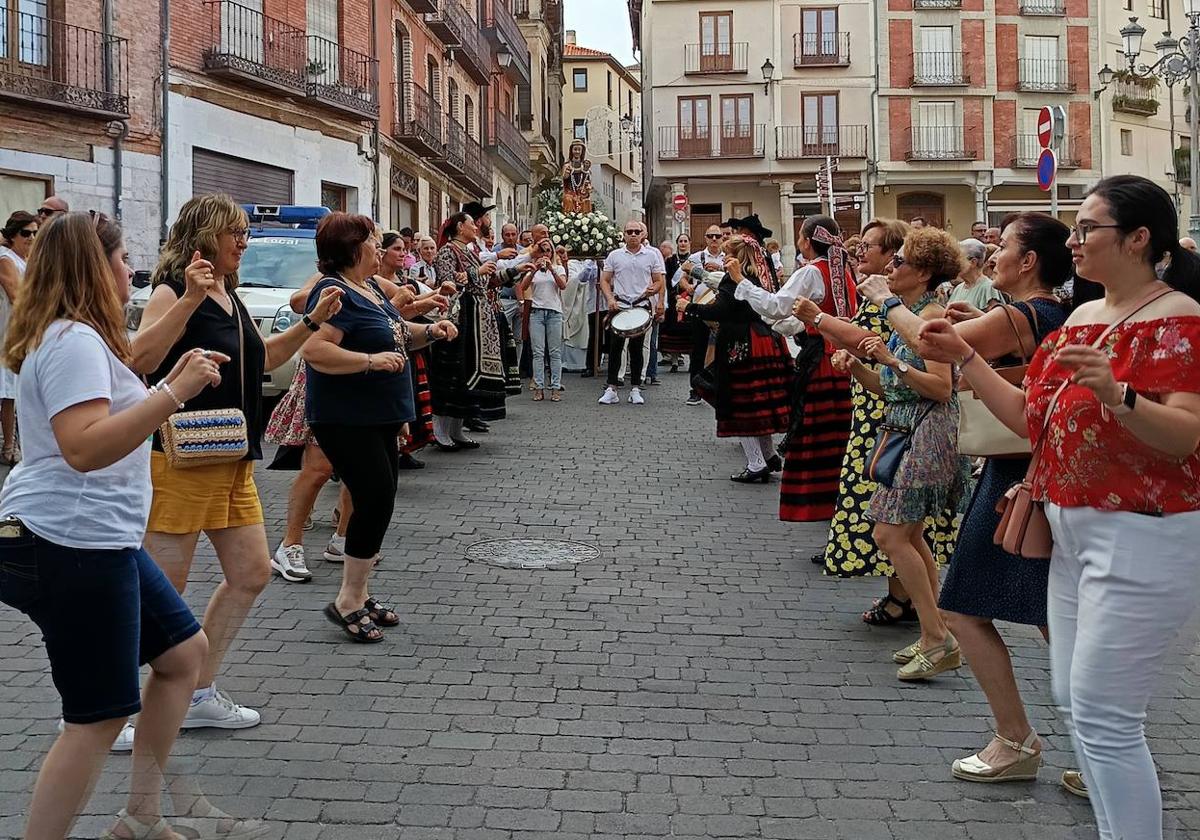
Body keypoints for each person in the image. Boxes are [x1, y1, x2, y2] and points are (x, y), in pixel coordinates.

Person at [920, 175, 1200, 839]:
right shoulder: (1080, 317)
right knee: (1079, 705)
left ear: (1137, 239)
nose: (1072, 240)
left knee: (1104, 717)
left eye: (1087, 228)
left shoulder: (1179, 317)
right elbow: (1025, 416)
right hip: (1070, 531)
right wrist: (964, 357)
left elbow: (1185, 435)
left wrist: (1120, 395)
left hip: (1143, 532)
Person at [0, 211, 215, 840]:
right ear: (98, 267)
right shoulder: (71, 342)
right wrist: (172, 395)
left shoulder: (81, 337)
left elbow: (133, 362)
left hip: (97, 540)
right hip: (72, 543)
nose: (132, 272)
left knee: (182, 655)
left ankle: (141, 818)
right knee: (94, 718)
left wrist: (169, 378)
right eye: (124, 261)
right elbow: (85, 446)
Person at [132, 193, 343, 732]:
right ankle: (118, 704)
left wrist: (313, 323)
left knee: (251, 574)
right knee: (160, 593)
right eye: (235, 233)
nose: (243, 242)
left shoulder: (231, 294)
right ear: (204, 237)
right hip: (182, 458)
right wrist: (187, 301)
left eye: (244, 233)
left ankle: (199, 691)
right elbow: (141, 359)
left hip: (231, 457)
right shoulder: (174, 289)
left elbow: (264, 358)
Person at [879, 213, 1070, 785]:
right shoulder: (1047, 312)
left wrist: (883, 304)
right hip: (1026, 468)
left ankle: (1016, 738)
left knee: (970, 607)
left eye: (1004, 246)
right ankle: (1099, 746)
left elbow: (930, 343)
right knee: (1051, 616)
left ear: (1028, 261)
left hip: (1016, 471)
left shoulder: (1029, 312)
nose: (991, 256)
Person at [301, 213, 457, 642]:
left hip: (378, 415)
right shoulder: (334, 292)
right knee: (372, 499)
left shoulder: (367, 289)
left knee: (379, 500)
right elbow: (314, 349)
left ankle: (359, 592)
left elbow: (396, 333)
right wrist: (368, 362)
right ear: (353, 249)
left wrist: (432, 331)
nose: (378, 245)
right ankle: (348, 600)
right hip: (346, 416)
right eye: (371, 239)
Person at [836, 227, 971, 681]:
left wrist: (892, 361)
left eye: (901, 264)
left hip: (927, 434)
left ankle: (938, 636)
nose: (892, 268)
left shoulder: (930, 314)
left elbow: (939, 386)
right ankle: (939, 631)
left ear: (924, 273)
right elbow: (889, 389)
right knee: (907, 537)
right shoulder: (911, 313)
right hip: (908, 429)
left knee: (891, 536)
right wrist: (859, 366)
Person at [737, 215, 857, 520]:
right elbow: (797, 317)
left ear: (806, 240)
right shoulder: (843, 269)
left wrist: (742, 283)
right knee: (841, 438)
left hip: (822, 360)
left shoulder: (812, 272)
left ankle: (821, 506)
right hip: (846, 360)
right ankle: (843, 509)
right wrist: (784, 324)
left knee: (817, 439)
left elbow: (777, 306)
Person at [680, 235, 791, 481]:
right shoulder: (760, 275)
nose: (725, 258)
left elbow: (721, 310)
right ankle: (769, 455)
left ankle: (755, 463)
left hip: (740, 343)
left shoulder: (737, 278)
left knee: (740, 402)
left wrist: (688, 308)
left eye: (727, 253)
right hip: (763, 339)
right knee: (758, 402)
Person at [430, 211, 507, 448]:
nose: (477, 227)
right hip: (459, 319)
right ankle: (440, 429)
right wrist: (478, 272)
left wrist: (516, 270)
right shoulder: (447, 251)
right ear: (460, 227)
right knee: (452, 371)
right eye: (472, 224)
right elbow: (446, 281)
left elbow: (488, 282)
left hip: (477, 322)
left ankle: (456, 429)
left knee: (466, 374)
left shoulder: (470, 253)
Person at [597, 219, 665, 406]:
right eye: (630, 232)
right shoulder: (615, 255)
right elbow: (604, 280)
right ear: (624, 234)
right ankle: (612, 388)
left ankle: (635, 388)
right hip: (620, 305)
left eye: (636, 231)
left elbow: (659, 280)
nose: (633, 235)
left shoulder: (651, 256)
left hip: (641, 305)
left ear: (642, 234)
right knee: (615, 347)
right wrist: (610, 299)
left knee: (637, 349)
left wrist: (656, 290)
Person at [0, 211, 37, 464]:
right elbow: (16, 295)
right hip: (10, 332)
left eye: (35, 232)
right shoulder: (6, 259)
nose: (31, 237)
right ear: (13, 235)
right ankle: (9, 446)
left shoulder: (26, 259)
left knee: (20, 388)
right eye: (26, 233)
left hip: (25, 331)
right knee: (9, 391)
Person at [681, 226, 728, 405]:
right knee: (698, 350)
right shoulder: (696, 257)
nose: (714, 239)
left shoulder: (728, 258)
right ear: (706, 238)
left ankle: (720, 387)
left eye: (718, 236)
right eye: (711, 236)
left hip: (722, 308)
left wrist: (720, 267)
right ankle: (696, 389)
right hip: (700, 307)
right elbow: (682, 277)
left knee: (723, 349)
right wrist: (688, 287)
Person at [518, 237, 568, 401]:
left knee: (554, 352)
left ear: (552, 252)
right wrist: (534, 270)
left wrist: (551, 270)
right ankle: (538, 388)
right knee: (538, 352)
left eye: (548, 250)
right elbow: (523, 287)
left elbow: (563, 285)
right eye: (542, 250)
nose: (545, 253)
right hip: (537, 312)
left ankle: (555, 387)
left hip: (554, 312)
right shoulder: (532, 269)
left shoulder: (559, 268)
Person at [659, 232, 694, 370]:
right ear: (677, 243)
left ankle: (691, 361)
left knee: (690, 331)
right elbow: (667, 281)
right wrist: (675, 295)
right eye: (681, 241)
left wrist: (690, 294)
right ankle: (674, 361)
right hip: (675, 300)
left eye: (685, 241)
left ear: (689, 243)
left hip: (690, 299)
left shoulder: (694, 259)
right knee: (674, 331)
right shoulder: (670, 261)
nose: (683, 243)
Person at [948, 238, 1002, 311]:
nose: (955, 264)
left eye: (959, 259)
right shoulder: (958, 288)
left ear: (973, 262)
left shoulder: (988, 287)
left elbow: (996, 320)